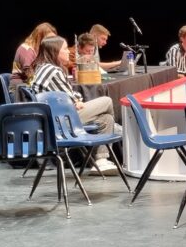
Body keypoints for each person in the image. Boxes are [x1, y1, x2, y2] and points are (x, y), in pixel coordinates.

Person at [28, 35, 119, 175]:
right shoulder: (53, 71)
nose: (68, 52)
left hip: (59, 116)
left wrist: (76, 101)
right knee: (106, 101)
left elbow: (70, 96)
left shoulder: (44, 68)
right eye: (64, 49)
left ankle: (101, 160)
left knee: (106, 119)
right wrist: (76, 101)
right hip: (60, 121)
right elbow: (70, 98)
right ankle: (117, 131)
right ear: (55, 51)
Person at [10, 22, 57, 94]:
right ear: (40, 37)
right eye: (48, 39)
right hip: (20, 91)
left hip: (30, 87)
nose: (50, 42)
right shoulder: (27, 49)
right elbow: (29, 73)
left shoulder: (39, 50)